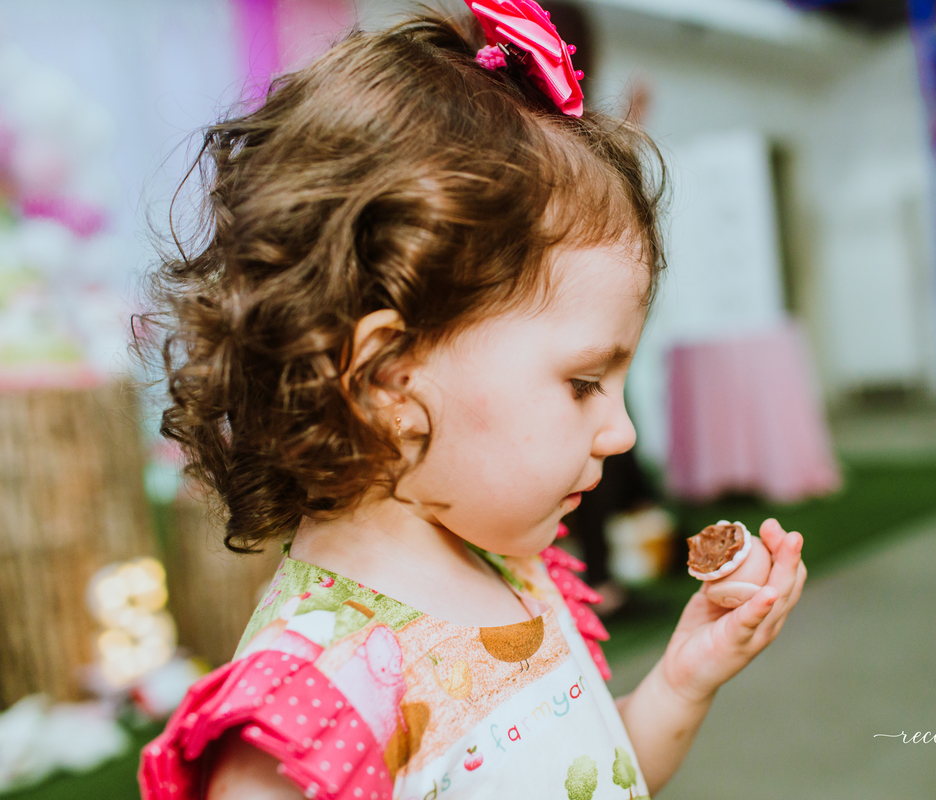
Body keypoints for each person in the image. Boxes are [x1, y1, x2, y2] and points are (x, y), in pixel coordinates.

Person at [138, 4, 806, 799]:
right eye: (584, 383)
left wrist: (683, 682)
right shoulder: (315, 705)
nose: (622, 432)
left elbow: (594, 775)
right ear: (388, 378)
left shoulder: (518, 573)